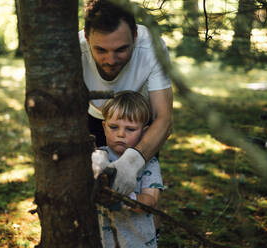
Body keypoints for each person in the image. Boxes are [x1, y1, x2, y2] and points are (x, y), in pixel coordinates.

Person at [80, 0, 173, 195]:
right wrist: (93, 153)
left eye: (121, 49)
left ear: (135, 35)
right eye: (101, 50)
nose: (111, 60)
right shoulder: (74, 50)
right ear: (87, 38)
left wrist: (132, 163)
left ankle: (152, 226)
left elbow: (164, 119)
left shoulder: (152, 47)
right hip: (89, 113)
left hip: (135, 117)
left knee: (146, 186)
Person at [93, 91, 164, 248]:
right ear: (104, 127)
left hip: (137, 241)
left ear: (144, 132)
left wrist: (125, 197)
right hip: (103, 240)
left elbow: (150, 201)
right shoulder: (98, 157)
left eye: (130, 129)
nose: (120, 134)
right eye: (113, 127)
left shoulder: (149, 163)